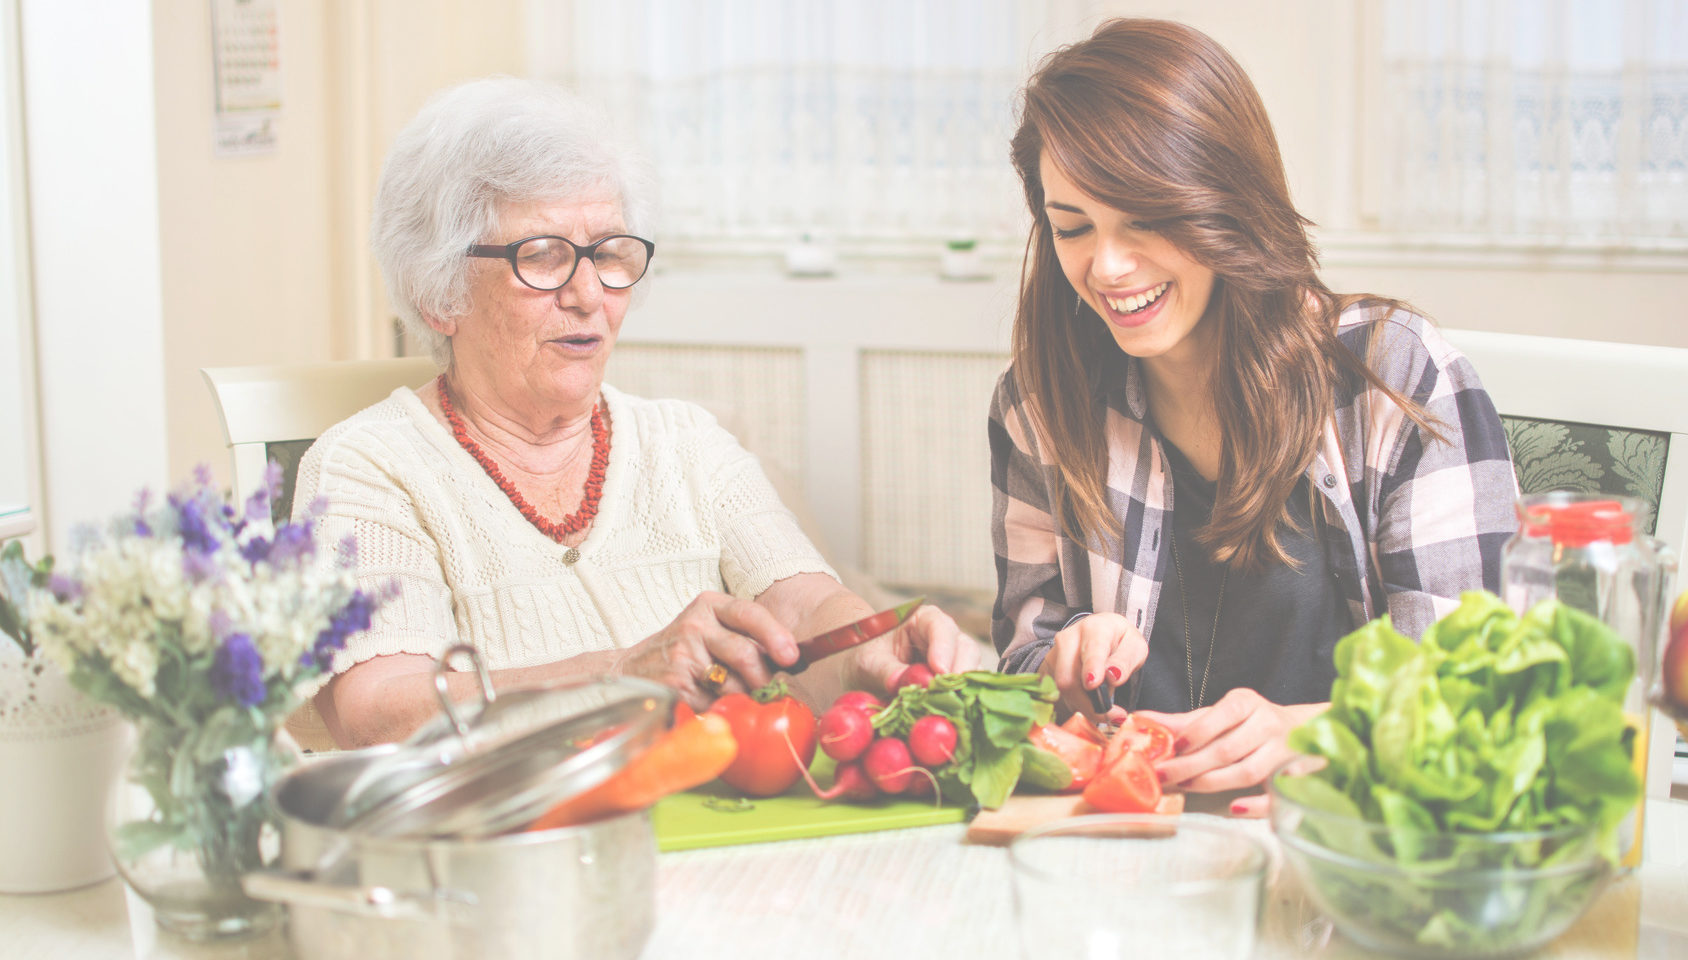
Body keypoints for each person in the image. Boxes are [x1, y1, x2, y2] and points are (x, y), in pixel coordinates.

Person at [296, 77, 977, 748]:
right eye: (543, 256)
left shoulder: (687, 441)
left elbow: (802, 604)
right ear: (437, 292)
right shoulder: (368, 467)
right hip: (516, 845)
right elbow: (378, 711)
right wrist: (619, 674)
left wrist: (869, 650)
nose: (589, 294)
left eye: (610, 253)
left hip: (718, 822)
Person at [989, 19, 1516, 813]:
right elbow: (1023, 660)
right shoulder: (1038, 404)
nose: (1107, 266)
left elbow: (1480, 695)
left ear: (1222, 201)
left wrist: (1316, 736)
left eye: (1144, 217)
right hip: (1125, 850)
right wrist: (1061, 661)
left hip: (1343, 853)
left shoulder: (1393, 376)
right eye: (1073, 227)